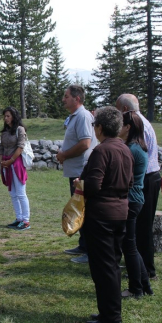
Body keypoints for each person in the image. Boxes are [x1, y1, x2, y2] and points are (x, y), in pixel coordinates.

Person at [78, 106, 133, 323]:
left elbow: (93, 185)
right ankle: (107, 313)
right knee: (111, 265)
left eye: (95, 126)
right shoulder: (124, 148)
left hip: (101, 214)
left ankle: (111, 319)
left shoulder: (102, 151)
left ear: (99, 128)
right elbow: (129, 182)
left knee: (104, 268)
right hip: (120, 211)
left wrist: (79, 186)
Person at [116, 94, 161, 278]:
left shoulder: (137, 126)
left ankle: (147, 270)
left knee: (142, 228)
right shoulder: (143, 122)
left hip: (146, 179)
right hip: (148, 177)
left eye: (118, 109)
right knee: (139, 228)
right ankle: (139, 266)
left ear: (125, 110)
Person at [56, 84, 98, 264]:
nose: (63, 99)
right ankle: (83, 244)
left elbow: (85, 144)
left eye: (66, 96)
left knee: (84, 210)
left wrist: (64, 154)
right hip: (74, 171)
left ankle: (90, 251)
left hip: (82, 172)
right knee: (78, 208)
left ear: (77, 99)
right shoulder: (74, 116)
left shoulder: (82, 116)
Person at [118, 111, 153, 298]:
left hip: (130, 201)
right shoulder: (135, 147)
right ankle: (145, 285)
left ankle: (135, 288)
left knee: (129, 247)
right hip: (135, 200)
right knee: (131, 246)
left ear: (128, 127)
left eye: (120, 125)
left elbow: (124, 179)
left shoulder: (131, 150)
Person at [0, 106, 30, 230]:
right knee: (12, 193)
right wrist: (1, 159)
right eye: (5, 116)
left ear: (13, 117)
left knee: (21, 193)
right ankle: (19, 218)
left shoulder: (20, 130)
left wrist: (11, 160)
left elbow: (20, 146)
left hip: (16, 163)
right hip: (6, 163)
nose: (6, 118)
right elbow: (1, 147)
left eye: (8, 116)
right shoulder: (5, 132)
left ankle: (26, 220)